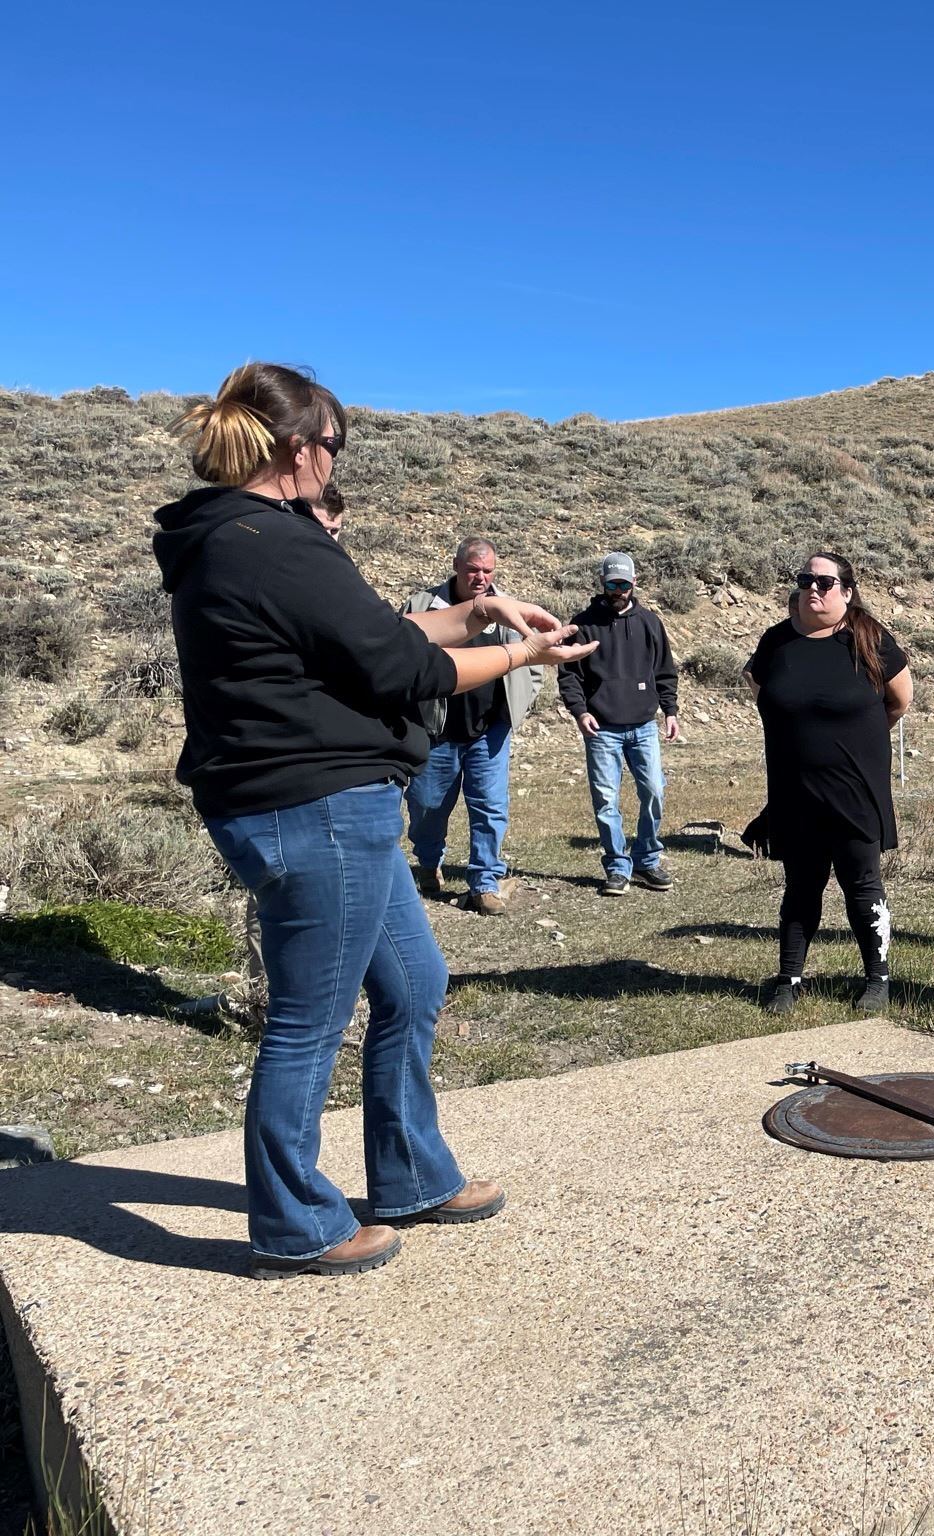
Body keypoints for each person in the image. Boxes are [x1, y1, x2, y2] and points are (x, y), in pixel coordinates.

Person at [152, 363, 595, 1279]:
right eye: (333, 448)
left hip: (324, 809)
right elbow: (411, 673)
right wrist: (522, 652)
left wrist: (473, 610)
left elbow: (373, 632)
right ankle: (297, 1222)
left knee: (413, 983)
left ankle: (410, 1174)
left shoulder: (237, 537)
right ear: (301, 449)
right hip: (313, 807)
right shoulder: (270, 540)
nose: (334, 464)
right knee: (310, 1021)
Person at [745, 553, 912, 1015]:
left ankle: (877, 980)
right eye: (805, 581)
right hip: (795, 792)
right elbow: (761, 691)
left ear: (847, 591)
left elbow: (899, 701)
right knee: (801, 888)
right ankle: (788, 981)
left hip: (855, 790)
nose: (813, 589)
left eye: (825, 581)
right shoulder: (776, 642)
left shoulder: (870, 640)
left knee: (862, 885)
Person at [401, 539, 546, 915]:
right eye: (473, 570)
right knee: (427, 806)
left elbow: (534, 663)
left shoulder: (510, 609)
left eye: (488, 571)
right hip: (438, 731)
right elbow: (401, 661)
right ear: (456, 566)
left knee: (490, 807)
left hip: (490, 730)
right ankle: (429, 861)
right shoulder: (422, 606)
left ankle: (485, 882)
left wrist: (517, 705)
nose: (481, 578)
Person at [557, 553, 680, 896]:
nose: (618, 591)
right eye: (612, 584)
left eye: (624, 584)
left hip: (643, 725)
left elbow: (665, 670)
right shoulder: (582, 624)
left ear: (634, 583)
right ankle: (616, 866)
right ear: (602, 583)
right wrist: (580, 711)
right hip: (602, 728)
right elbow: (568, 676)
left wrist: (670, 710)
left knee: (654, 790)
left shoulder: (650, 623)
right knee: (606, 800)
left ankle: (646, 859)